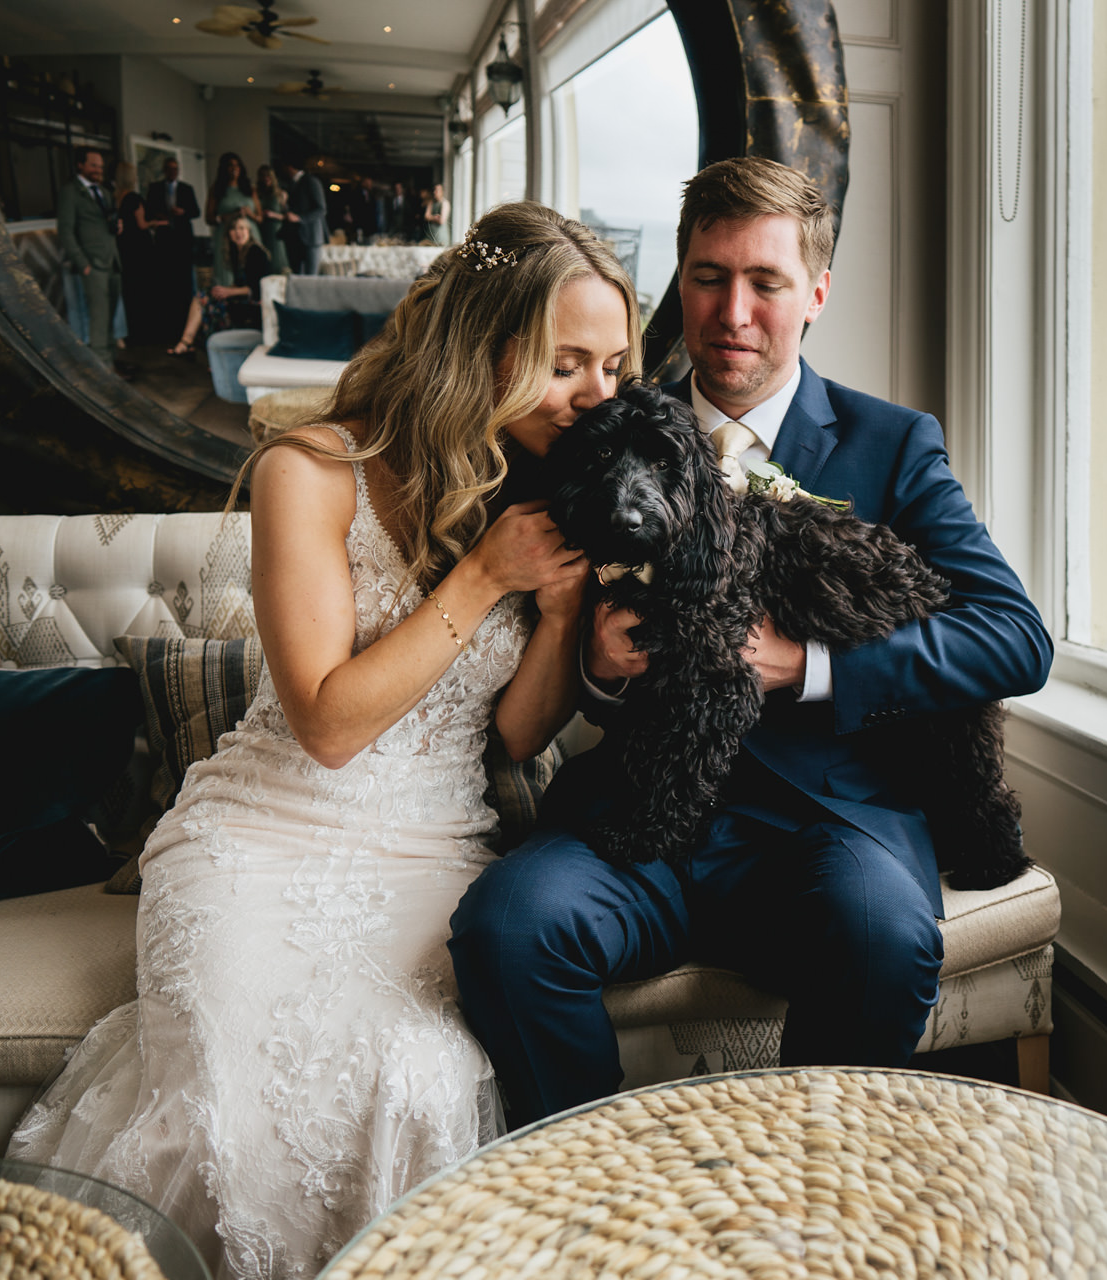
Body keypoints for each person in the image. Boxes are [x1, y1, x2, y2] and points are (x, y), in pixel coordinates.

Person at [8, 203, 639, 1279]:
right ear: (479, 349)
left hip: (436, 848)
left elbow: (517, 731)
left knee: (419, 1077)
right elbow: (329, 720)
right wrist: (485, 573)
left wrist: (570, 611)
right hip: (260, 834)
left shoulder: (554, 482)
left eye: (616, 366)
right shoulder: (311, 470)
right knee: (232, 1093)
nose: (599, 397)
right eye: (566, 363)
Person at [448, 158, 1054, 1127]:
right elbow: (534, 630)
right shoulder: (599, 430)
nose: (732, 311)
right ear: (678, 281)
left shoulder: (891, 444)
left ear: (814, 293)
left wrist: (809, 665)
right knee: (508, 924)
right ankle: (589, 1187)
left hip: (830, 827)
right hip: (642, 819)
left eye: (765, 282)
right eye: (708, 276)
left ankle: (802, 1206)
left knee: (887, 934)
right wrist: (597, 668)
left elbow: (1015, 638)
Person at [166, 211, 271, 356]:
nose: (238, 232)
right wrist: (224, 290)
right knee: (204, 296)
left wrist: (228, 292)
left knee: (207, 302)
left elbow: (258, 288)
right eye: (234, 229)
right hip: (243, 299)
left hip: (255, 304)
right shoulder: (237, 252)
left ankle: (195, 346)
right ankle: (188, 343)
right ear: (229, 233)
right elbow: (240, 283)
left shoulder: (255, 252)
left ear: (249, 231)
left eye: (242, 228)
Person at [56, 146, 121, 370]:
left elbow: (105, 225)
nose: (98, 170)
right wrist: (82, 263)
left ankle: (112, 359)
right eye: (93, 165)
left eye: (100, 166)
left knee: (110, 316)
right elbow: (65, 231)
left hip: (112, 261)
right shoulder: (70, 192)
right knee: (99, 318)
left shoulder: (104, 192)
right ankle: (104, 371)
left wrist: (117, 227)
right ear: (80, 165)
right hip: (92, 265)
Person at [144, 157, 200, 344]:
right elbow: (148, 211)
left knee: (184, 282)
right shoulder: (155, 188)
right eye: (169, 168)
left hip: (183, 241)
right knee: (166, 282)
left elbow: (196, 212)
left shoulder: (186, 189)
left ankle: (186, 321)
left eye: (175, 168)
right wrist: (158, 216)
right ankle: (168, 324)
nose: (172, 171)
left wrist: (183, 212)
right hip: (164, 242)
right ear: (165, 170)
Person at [113, 160, 163, 349]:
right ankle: (148, 331)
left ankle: (132, 331)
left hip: (124, 249)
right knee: (145, 289)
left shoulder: (116, 198)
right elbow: (142, 224)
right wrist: (156, 223)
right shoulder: (134, 198)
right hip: (140, 250)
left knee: (131, 290)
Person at [204, 151, 257, 287]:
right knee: (227, 273)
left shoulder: (249, 189)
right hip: (225, 236)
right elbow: (208, 218)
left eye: (237, 165)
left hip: (250, 234)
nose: (234, 168)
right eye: (230, 165)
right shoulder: (216, 189)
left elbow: (260, 218)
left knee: (252, 271)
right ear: (224, 168)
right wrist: (224, 217)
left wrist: (250, 214)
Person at [282, 159, 329, 274]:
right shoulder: (288, 184)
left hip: (311, 237)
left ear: (289, 167)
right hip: (293, 238)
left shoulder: (311, 181)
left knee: (310, 279)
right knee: (296, 277)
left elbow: (321, 209)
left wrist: (300, 218)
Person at [252, 163, 289, 266]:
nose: (265, 178)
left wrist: (273, 215)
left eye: (268, 175)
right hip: (259, 228)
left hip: (275, 230)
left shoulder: (281, 194)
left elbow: (287, 216)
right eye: (263, 175)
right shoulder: (256, 193)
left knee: (277, 259)